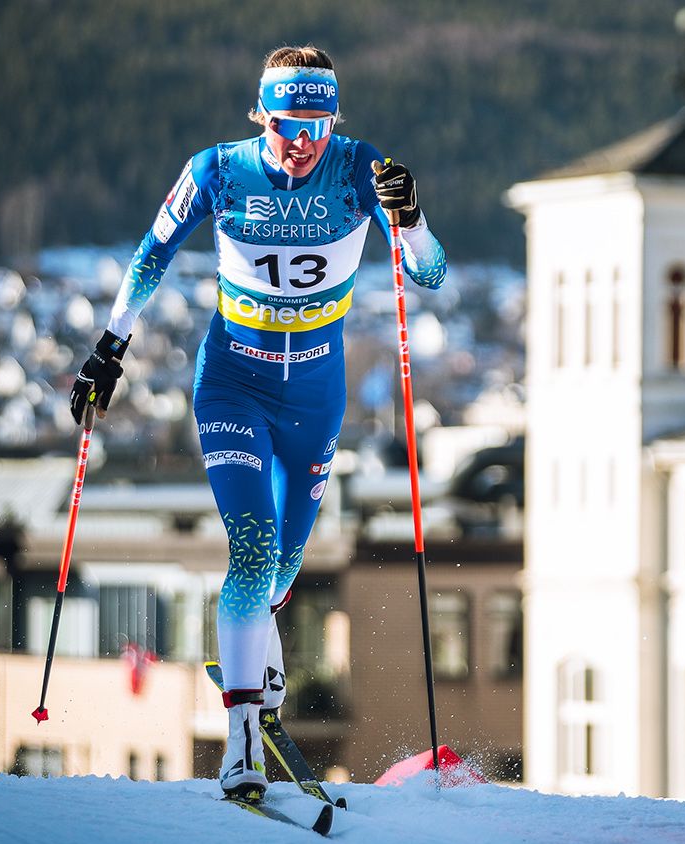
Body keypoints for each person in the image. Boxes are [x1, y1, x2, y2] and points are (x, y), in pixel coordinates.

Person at [68, 45, 446, 799]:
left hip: (315, 395)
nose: (303, 142)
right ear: (260, 116)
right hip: (233, 382)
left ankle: (249, 649)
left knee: (280, 573)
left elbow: (430, 271)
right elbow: (151, 254)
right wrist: (111, 346)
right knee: (251, 548)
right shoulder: (216, 169)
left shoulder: (361, 166)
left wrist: (411, 216)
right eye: (287, 125)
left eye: (318, 123)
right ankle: (239, 740)